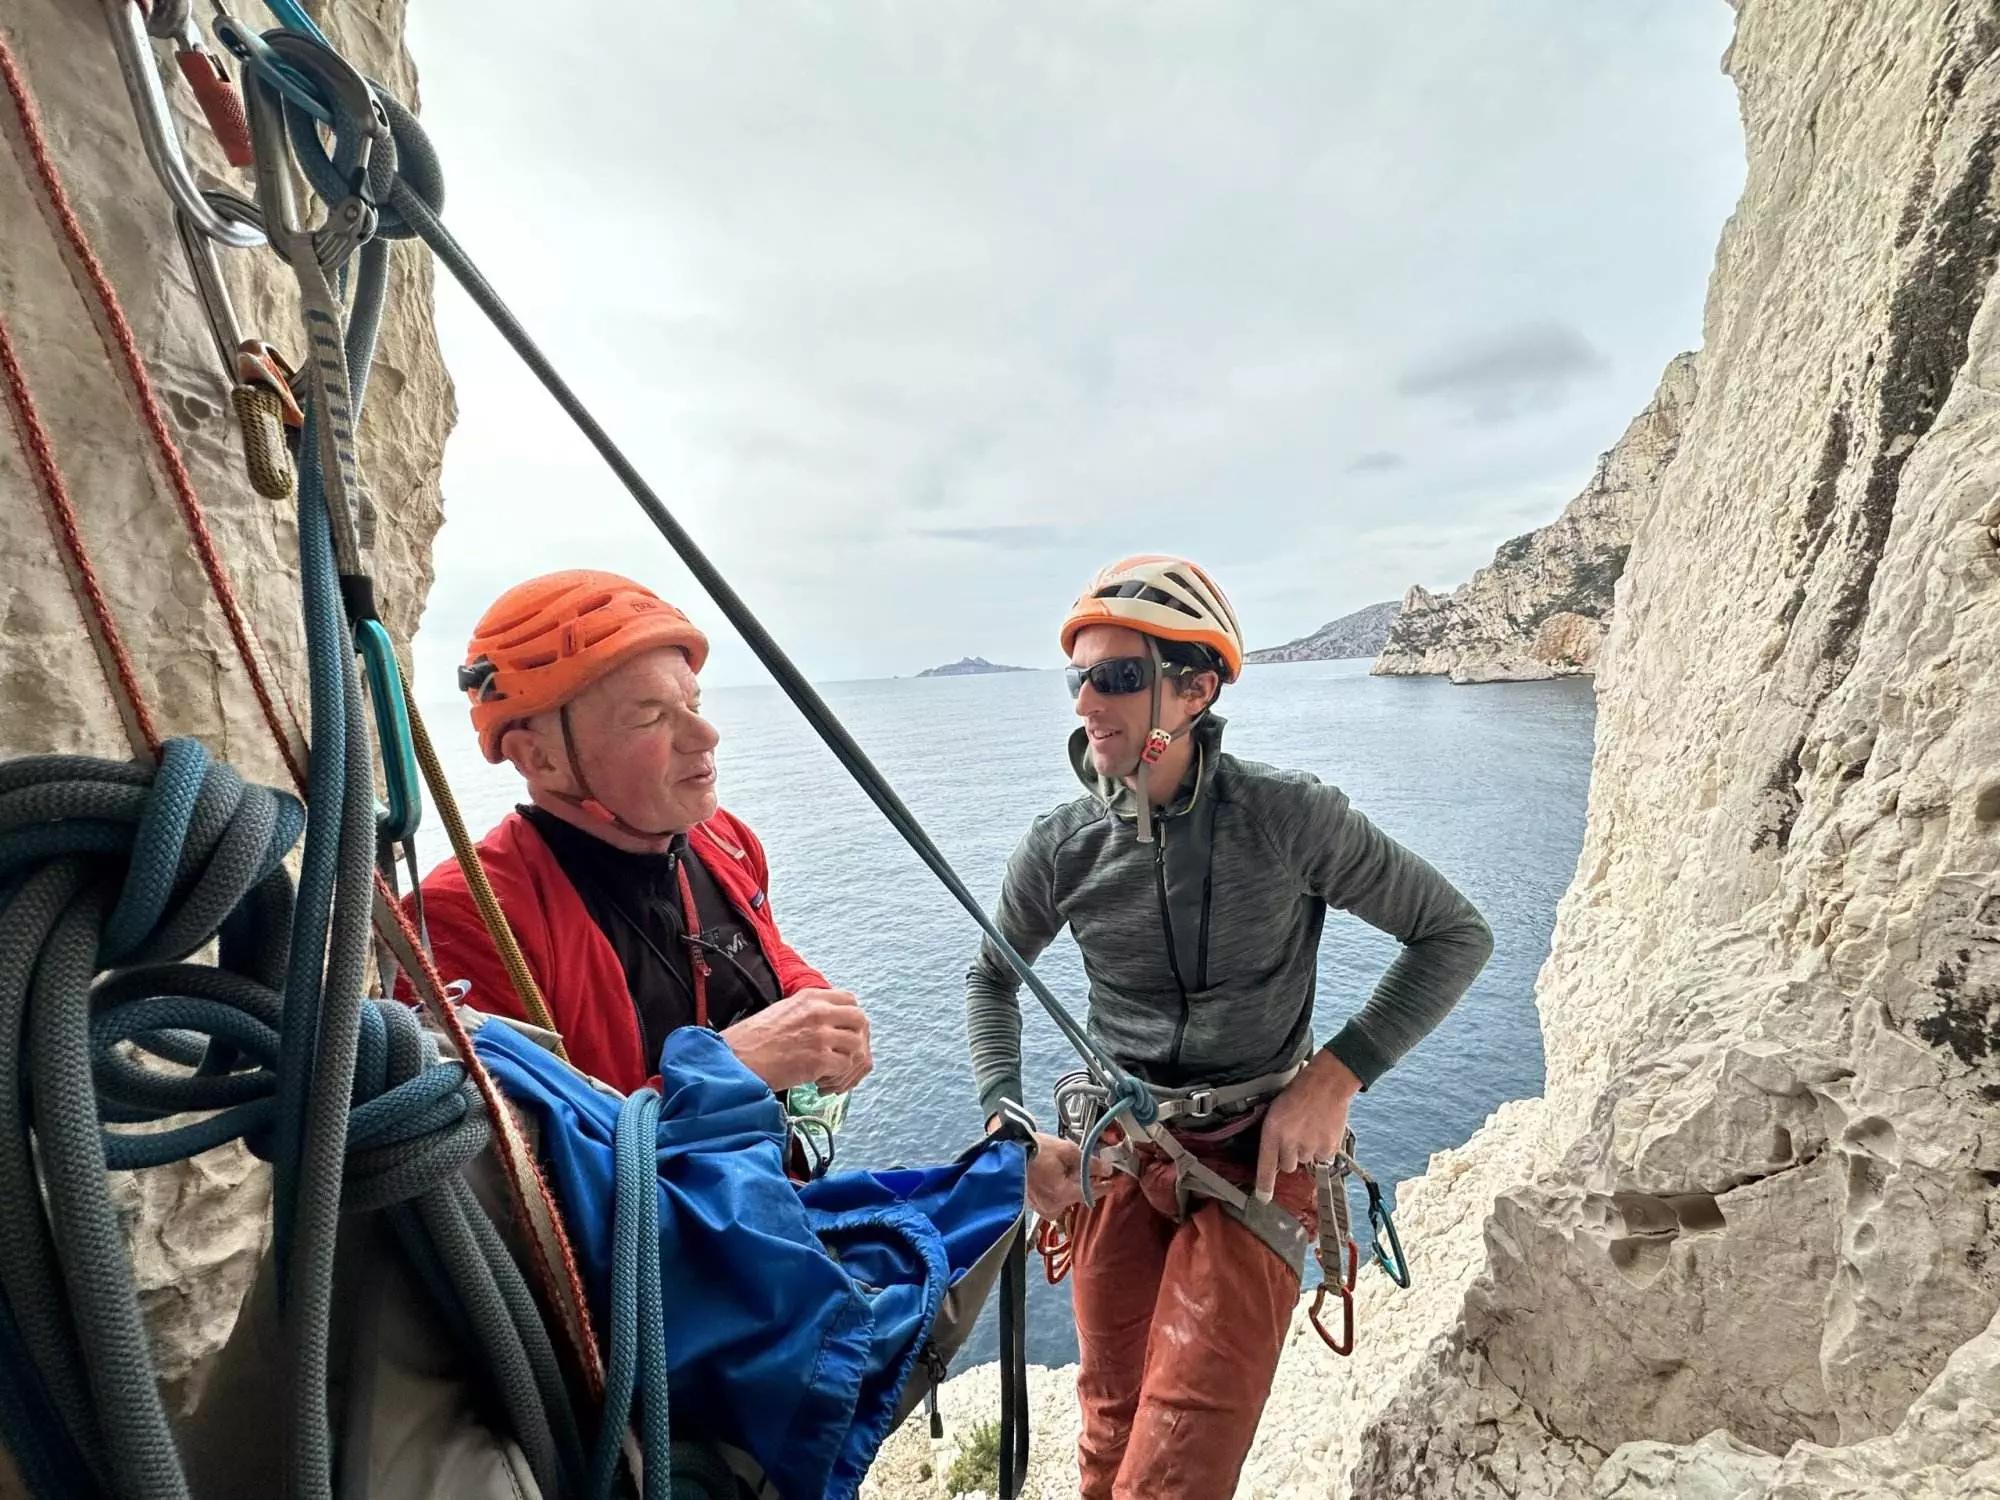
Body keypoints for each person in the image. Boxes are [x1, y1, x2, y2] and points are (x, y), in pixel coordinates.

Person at [964, 554, 1493, 1499]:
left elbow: (1452, 934)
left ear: (1194, 689)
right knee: (1106, 1437)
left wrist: (1334, 1079)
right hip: (1122, 1152)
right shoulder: (1062, 847)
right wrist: (1007, 1128)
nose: (1089, 698)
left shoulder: (1290, 819)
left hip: (1260, 1157)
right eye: (1080, 676)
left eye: (1119, 675)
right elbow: (990, 981)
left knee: (1176, 1472)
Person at [413, 569, 873, 1104]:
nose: (706, 736)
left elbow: (755, 948)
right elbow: (511, 1167)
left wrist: (811, 1000)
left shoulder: (722, 841)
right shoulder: (468, 923)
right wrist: (724, 1069)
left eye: (694, 706)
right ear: (538, 757)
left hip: (768, 1179)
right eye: (651, 716)